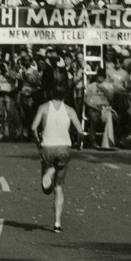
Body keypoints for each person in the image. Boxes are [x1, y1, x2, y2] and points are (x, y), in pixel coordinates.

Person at [30, 85, 83, 233]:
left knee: (46, 189)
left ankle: (49, 170)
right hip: (64, 148)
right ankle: (57, 223)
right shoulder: (70, 110)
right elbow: (80, 131)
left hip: (47, 147)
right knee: (58, 186)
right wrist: (78, 143)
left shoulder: (44, 108)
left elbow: (33, 127)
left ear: (50, 94)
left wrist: (38, 143)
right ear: (65, 96)